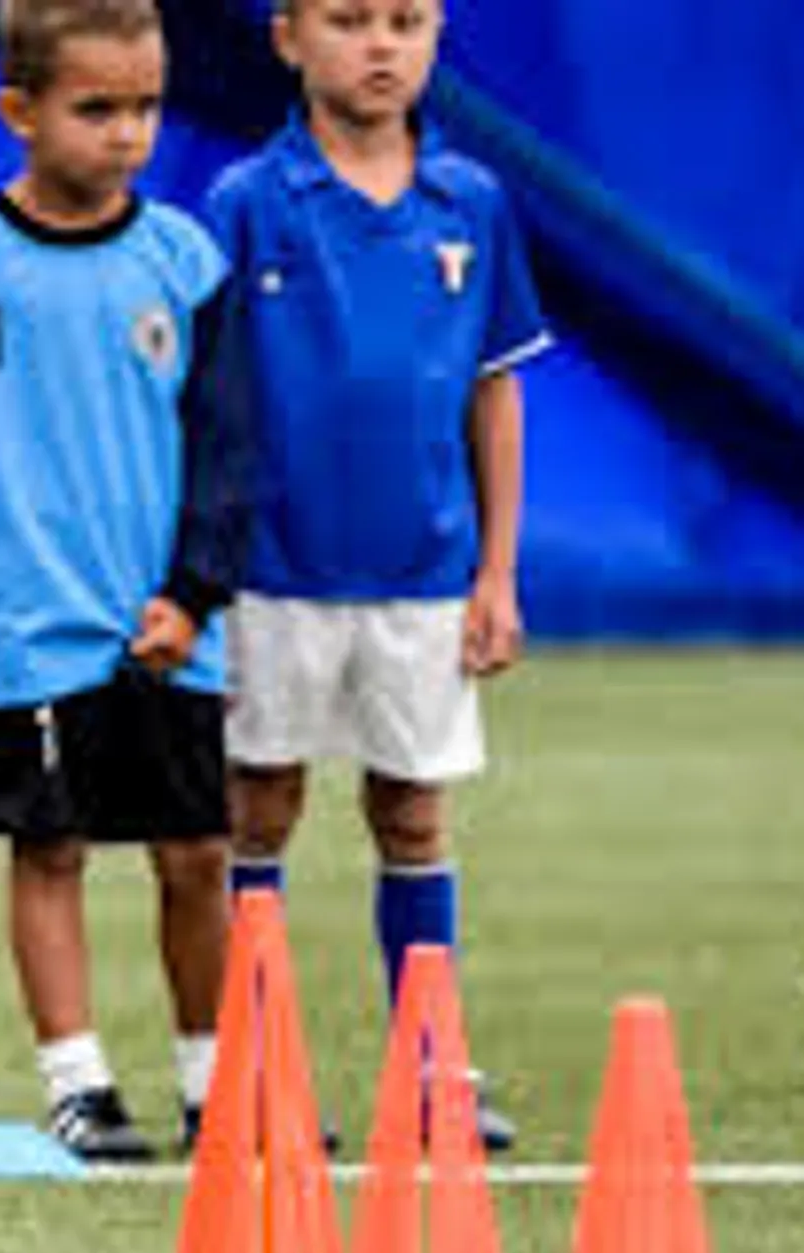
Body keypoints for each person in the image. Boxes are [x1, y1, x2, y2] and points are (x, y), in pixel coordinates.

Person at [0, 0, 249, 1161]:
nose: (127, 133)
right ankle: (79, 1084)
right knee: (50, 850)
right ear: (18, 112)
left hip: (166, 626)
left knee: (198, 855)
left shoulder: (185, 261)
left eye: (146, 107)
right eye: (97, 109)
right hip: (23, 629)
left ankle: (216, 1082)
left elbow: (230, 448)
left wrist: (196, 590)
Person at [208, 0, 554, 1149]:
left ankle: (433, 1066)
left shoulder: (473, 201)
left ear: (438, 33)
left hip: (426, 576)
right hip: (272, 571)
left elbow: (495, 392)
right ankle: (257, 1067)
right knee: (259, 805)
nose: (380, 46)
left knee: (412, 814)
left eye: (406, 20)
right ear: (288, 37)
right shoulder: (247, 201)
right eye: (349, 20)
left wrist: (497, 571)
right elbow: (204, 401)